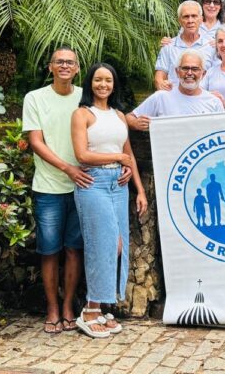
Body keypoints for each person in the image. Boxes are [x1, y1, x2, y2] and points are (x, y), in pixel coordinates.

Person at [23, 47, 106, 334]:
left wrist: (124, 162)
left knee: (74, 250)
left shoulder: (85, 97)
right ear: (50, 67)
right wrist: (67, 168)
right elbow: (36, 141)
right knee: (49, 250)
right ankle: (52, 308)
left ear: (78, 67)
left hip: (83, 187)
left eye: (70, 62)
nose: (64, 66)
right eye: (59, 62)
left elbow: (106, 130)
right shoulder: (34, 98)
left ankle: (69, 305)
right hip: (48, 188)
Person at [70, 63, 147, 338]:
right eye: (98, 80)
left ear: (114, 84)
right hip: (94, 183)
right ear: (90, 83)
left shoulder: (118, 115)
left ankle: (100, 307)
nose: (103, 85)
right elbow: (82, 155)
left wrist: (140, 189)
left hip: (119, 184)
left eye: (108, 80)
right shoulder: (82, 114)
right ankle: (89, 311)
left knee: (117, 246)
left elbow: (129, 156)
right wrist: (117, 159)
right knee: (101, 244)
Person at [127, 50, 223, 130]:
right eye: (185, 68)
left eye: (195, 69)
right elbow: (128, 118)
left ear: (203, 73)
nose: (189, 73)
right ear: (177, 72)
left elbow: (224, 131)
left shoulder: (213, 102)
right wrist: (135, 123)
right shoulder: (161, 97)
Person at [154, 1, 215, 90]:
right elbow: (158, 78)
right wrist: (163, 86)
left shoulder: (211, 46)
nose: (190, 21)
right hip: (175, 100)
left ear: (201, 19)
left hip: (203, 101)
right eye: (186, 17)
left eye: (194, 16)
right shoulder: (168, 46)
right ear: (179, 20)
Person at [160, 0, 225, 46]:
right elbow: (178, 45)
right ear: (201, 3)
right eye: (208, 1)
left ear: (221, 6)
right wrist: (168, 42)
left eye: (216, 2)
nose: (212, 5)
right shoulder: (189, 24)